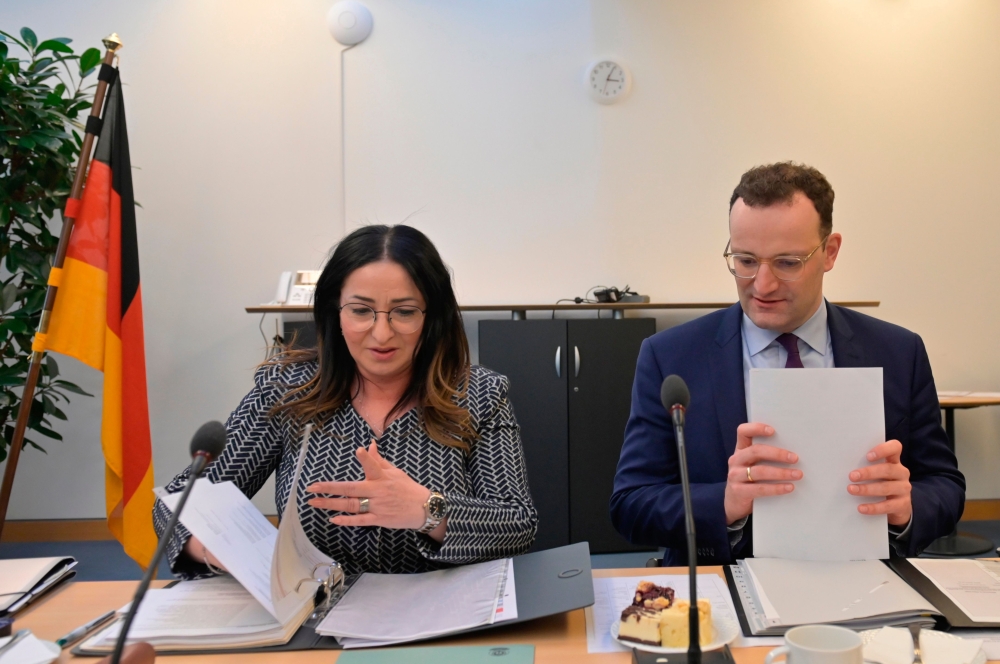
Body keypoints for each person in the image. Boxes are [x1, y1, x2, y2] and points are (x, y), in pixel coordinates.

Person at [610, 162, 964, 565]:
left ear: (830, 252)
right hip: (721, 591)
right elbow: (630, 503)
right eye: (745, 261)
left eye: (787, 263)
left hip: (865, 584)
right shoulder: (670, 357)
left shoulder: (899, 352)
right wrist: (723, 504)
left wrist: (907, 507)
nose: (763, 285)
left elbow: (945, 485)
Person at [154, 224, 538, 577]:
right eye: (361, 311)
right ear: (335, 312)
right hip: (313, 616)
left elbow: (519, 525)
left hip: (443, 619)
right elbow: (177, 504)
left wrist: (426, 510)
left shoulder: (480, 394)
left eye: (404, 312)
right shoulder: (287, 392)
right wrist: (222, 551)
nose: (382, 333)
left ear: (431, 316)